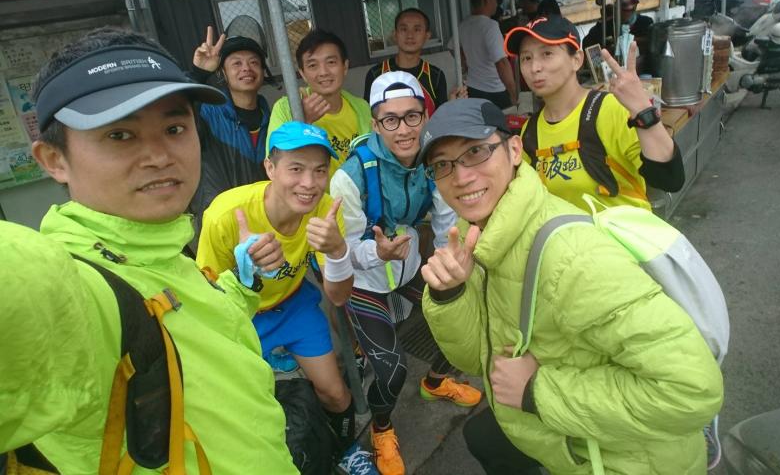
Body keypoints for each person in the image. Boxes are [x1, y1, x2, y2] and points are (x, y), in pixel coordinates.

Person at [6, 27, 297, 473]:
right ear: (54, 160)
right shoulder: (77, 283)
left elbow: (198, 322)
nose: (160, 155)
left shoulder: (163, 251)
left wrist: (244, 282)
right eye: (120, 135)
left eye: (174, 128)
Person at [417, 98, 724, 475]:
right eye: (442, 165)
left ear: (514, 150)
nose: (461, 177)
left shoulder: (573, 257)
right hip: (564, 441)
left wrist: (536, 390)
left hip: (628, 461)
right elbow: (477, 360)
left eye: (476, 152)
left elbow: (692, 390)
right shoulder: (480, 237)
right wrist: (450, 294)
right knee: (481, 437)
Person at [195, 121, 377, 474]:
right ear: (270, 168)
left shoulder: (326, 210)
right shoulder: (225, 214)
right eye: (296, 169)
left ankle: (346, 451)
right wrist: (245, 273)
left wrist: (338, 252)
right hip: (242, 317)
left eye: (319, 170)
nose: (309, 183)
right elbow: (207, 297)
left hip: (293, 305)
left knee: (335, 393)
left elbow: (338, 296)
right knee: (250, 410)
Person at [330, 72, 481, 475]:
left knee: (463, 317)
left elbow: (445, 220)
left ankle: (435, 381)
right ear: (375, 124)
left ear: (424, 116)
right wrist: (376, 252)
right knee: (391, 367)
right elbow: (341, 249)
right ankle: (381, 428)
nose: (403, 129)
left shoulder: (432, 160)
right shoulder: (350, 176)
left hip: (409, 264)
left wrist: (452, 260)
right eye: (391, 119)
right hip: (363, 278)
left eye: (412, 116)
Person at [504, 15, 685, 211]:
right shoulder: (530, 133)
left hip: (620, 231)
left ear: (576, 60)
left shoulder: (610, 110)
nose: (534, 68)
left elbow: (670, 180)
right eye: (526, 58)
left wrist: (643, 109)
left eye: (547, 54)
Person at [189, 26, 272, 231]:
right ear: (222, 73)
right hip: (219, 226)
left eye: (254, 62)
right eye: (236, 63)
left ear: (263, 71)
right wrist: (198, 74)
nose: (246, 68)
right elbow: (175, 113)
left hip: (265, 224)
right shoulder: (206, 113)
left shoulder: (272, 119)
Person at [268, 29, 371, 176]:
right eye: (312, 65)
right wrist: (303, 122)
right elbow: (276, 164)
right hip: (312, 191)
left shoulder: (362, 108)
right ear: (302, 73)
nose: (323, 72)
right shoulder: (286, 108)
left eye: (331, 62)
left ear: (345, 66)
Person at [362, 8, 452, 111]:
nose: (410, 35)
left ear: (427, 36)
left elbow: (441, 116)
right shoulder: (376, 74)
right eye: (404, 29)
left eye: (417, 30)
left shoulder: (435, 76)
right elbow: (367, 115)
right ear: (395, 35)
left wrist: (451, 105)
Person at [453, 0, 517, 109]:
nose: (496, 4)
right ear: (486, 0)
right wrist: (513, 92)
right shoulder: (490, 26)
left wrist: (466, 63)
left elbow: (452, 47)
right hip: (494, 91)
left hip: (472, 89)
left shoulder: (463, 25)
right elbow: (501, 62)